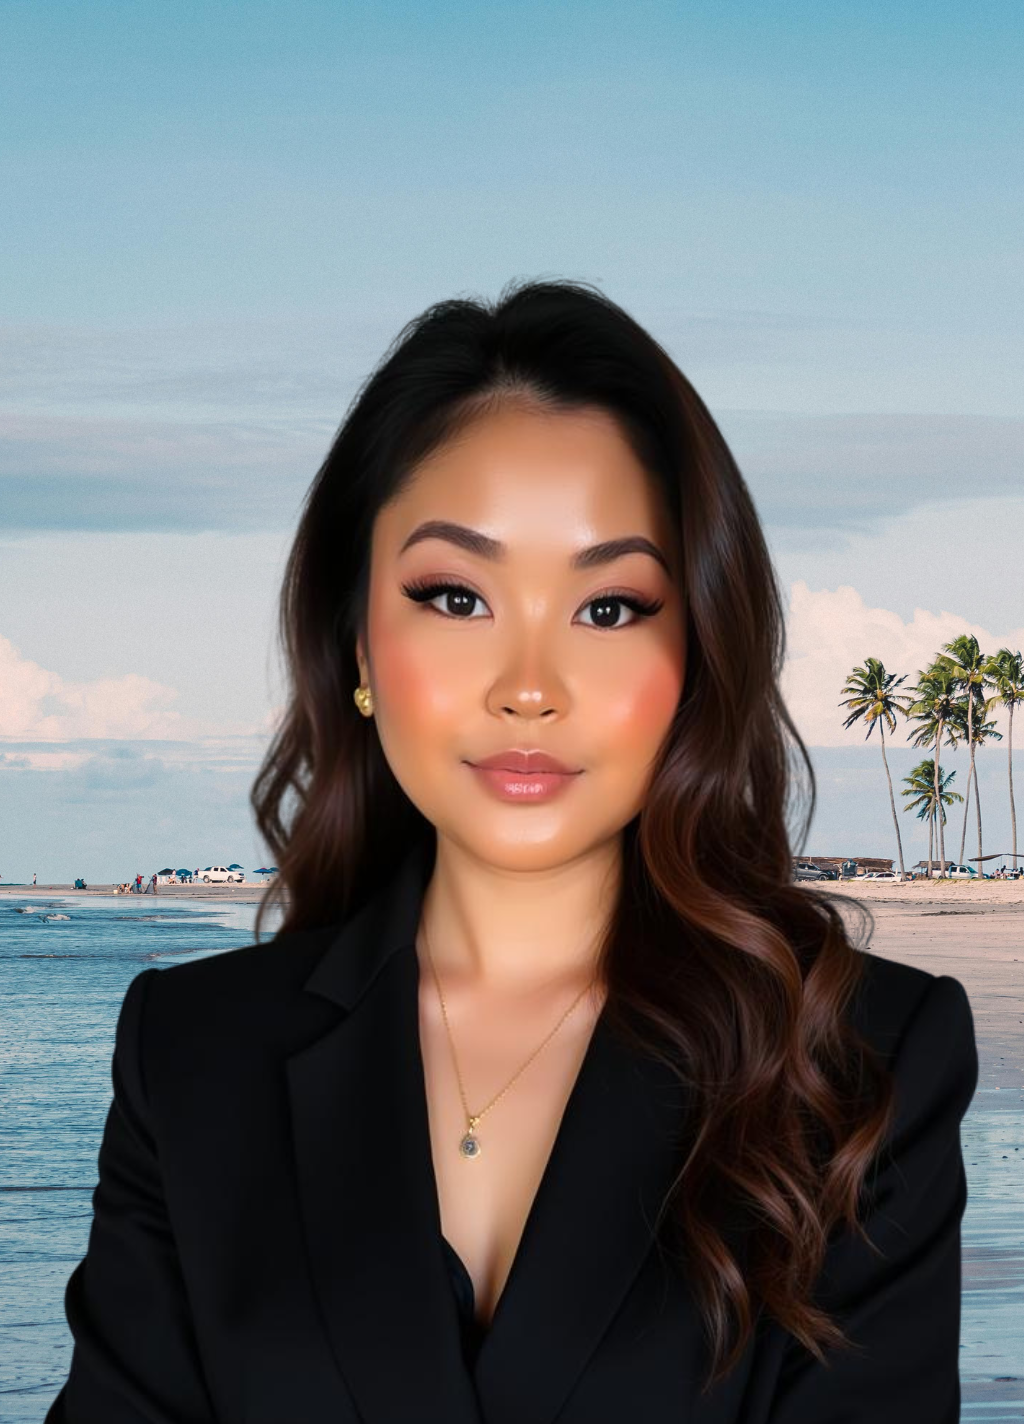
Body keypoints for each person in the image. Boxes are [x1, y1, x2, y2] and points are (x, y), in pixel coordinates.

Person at [46, 280, 978, 1423]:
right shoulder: (191, 1054)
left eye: (609, 608)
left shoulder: (861, 1062)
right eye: (455, 594)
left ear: (696, 650)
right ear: (356, 638)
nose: (528, 687)